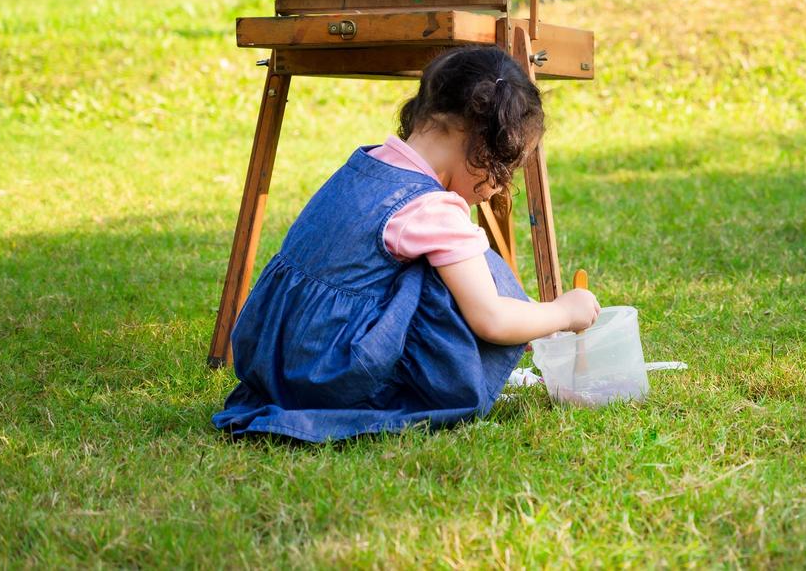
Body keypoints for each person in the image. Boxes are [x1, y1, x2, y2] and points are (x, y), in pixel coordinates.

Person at [212, 45, 600, 442]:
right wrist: (563, 312)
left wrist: (534, 324)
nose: (497, 189)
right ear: (484, 146)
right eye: (503, 171)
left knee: (454, 265)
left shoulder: (366, 165)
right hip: (328, 373)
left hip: (275, 359)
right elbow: (491, 318)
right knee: (467, 265)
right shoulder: (431, 209)